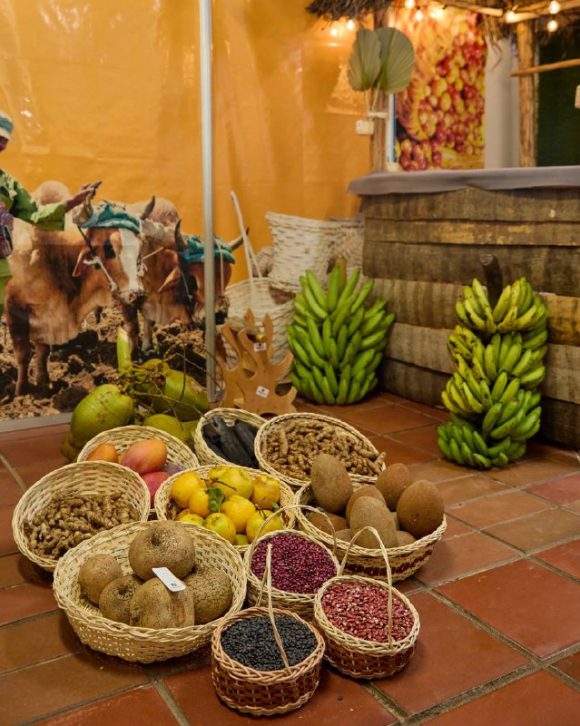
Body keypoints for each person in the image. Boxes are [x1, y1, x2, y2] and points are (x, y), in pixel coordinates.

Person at [0, 110, 97, 315]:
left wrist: (72, 202)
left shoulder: (7, 185)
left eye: (4, 139)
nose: (1, 144)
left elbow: (36, 214)